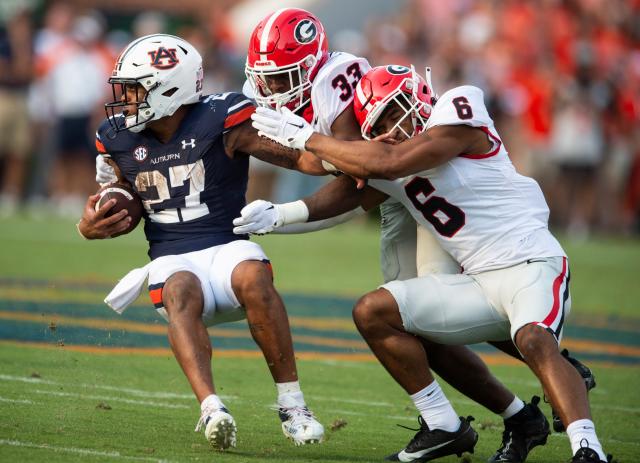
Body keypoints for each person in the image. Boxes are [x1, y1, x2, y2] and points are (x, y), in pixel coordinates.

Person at [244, 65, 613, 463]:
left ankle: (588, 450)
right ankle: (449, 423)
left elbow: (391, 162)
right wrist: (279, 216)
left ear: (418, 93)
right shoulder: (386, 156)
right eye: (382, 123)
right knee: (378, 314)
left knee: (533, 339)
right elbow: (347, 196)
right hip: (476, 282)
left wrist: (306, 137)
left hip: (531, 262)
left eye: (395, 109)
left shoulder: (458, 107)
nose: (395, 125)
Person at [77, 34, 326, 451]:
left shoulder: (223, 119)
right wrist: (92, 223)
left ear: (170, 89)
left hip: (227, 243)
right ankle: (212, 408)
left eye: (136, 89)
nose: (125, 99)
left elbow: (301, 160)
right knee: (179, 290)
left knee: (253, 277)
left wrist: (332, 152)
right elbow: (126, 192)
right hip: (170, 255)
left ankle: (293, 405)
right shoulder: (116, 136)